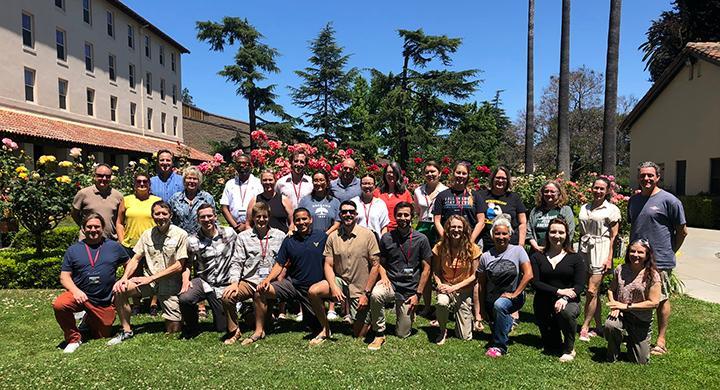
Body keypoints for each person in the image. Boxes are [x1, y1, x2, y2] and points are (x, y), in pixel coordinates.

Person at [108, 201, 189, 345]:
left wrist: (151, 278)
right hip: (149, 283)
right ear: (152, 216)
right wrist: (124, 278)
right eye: (157, 213)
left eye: (164, 213)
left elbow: (179, 266)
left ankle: (181, 316)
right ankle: (126, 330)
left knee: (173, 329)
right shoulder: (147, 235)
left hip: (170, 286)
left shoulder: (181, 234)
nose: (161, 217)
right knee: (120, 290)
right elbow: (135, 259)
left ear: (170, 215)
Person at [628, 161, 687, 356]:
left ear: (658, 177)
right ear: (638, 178)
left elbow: (682, 231)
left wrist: (669, 251)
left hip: (660, 260)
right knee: (636, 295)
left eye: (650, 175)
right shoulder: (634, 201)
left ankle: (661, 340)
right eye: (643, 175)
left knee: (661, 299)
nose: (646, 179)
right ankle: (636, 334)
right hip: (637, 258)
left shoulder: (670, 201)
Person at [246, 208, 328, 344]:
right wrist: (267, 280)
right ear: (294, 222)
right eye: (298, 220)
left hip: (312, 289)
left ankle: (320, 325)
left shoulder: (322, 237)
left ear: (311, 220)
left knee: (314, 325)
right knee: (260, 292)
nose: (301, 222)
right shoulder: (289, 240)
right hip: (292, 285)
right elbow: (279, 264)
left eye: (304, 219)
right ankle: (259, 331)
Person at [52, 213, 129, 353]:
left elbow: (129, 263)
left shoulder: (114, 247)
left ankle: (87, 319)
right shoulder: (73, 250)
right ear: (83, 229)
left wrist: (124, 279)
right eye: (89, 227)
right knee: (60, 304)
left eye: (97, 227)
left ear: (103, 228)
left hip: (103, 301)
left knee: (102, 334)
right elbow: (64, 277)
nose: (93, 230)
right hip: (81, 297)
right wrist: (75, 291)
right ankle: (74, 339)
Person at [308, 201, 381, 344]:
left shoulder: (368, 235)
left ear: (356, 215)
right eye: (344, 212)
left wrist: (366, 294)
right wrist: (333, 287)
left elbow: (375, 265)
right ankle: (325, 328)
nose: (348, 214)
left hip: (361, 288)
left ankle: (370, 315)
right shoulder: (333, 237)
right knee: (313, 291)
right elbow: (328, 265)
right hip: (341, 281)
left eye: (351, 212)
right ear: (340, 215)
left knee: (359, 334)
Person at [368, 202, 432, 350]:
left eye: (406, 215)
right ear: (394, 217)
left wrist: (418, 295)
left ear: (412, 217)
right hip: (391, 283)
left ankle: (409, 313)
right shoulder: (387, 238)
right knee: (376, 294)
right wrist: (383, 276)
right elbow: (380, 263)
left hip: (410, 288)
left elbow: (426, 269)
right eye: (399, 215)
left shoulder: (421, 239)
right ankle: (379, 333)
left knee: (402, 334)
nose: (403, 218)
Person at [223, 202, 286, 345]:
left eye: (264, 217)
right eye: (258, 217)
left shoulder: (279, 236)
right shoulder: (243, 237)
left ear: (269, 217)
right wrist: (234, 282)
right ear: (253, 218)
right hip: (249, 280)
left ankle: (260, 324)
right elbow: (237, 261)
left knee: (266, 321)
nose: (261, 220)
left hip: (270, 283)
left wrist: (279, 278)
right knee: (227, 297)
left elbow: (284, 261)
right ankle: (234, 331)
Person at [475, 166, 527, 331]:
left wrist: (520, 244)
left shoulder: (514, 198)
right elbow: (479, 219)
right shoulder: (483, 195)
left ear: (508, 180)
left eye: (504, 178)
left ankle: (513, 312)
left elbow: (522, 221)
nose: (500, 181)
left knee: (511, 275)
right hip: (487, 243)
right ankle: (483, 312)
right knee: (485, 279)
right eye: (497, 177)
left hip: (509, 243)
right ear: (492, 179)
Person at [477, 216, 533, 357]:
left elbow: (529, 274)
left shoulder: (518, 251)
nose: (501, 237)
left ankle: (499, 347)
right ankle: (507, 321)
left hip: (513, 297)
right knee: (498, 324)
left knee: (500, 306)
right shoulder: (485, 256)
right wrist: (481, 309)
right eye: (497, 233)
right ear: (492, 235)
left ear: (510, 235)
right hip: (491, 299)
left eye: (504, 233)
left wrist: (515, 293)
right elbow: (481, 284)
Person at [178, 204, 236, 338]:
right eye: (202, 217)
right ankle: (192, 326)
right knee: (185, 298)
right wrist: (185, 281)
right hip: (204, 282)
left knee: (222, 328)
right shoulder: (192, 241)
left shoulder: (229, 234)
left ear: (215, 217)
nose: (206, 219)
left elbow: (238, 257)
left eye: (209, 216)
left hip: (224, 283)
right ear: (198, 220)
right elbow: (187, 264)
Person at [530, 218, 585, 362]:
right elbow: (535, 283)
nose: (557, 236)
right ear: (547, 234)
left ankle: (569, 348)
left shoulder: (575, 258)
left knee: (566, 312)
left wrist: (565, 298)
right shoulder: (537, 257)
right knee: (552, 346)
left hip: (568, 302)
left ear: (567, 234)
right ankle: (556, 336)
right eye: (553, 232)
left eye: (561, 232)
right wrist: (559, 291)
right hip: (543, 303)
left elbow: (580, 285)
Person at [604, 239, 661, 364]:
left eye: (640, 252)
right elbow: (611, 290)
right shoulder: (620, 269)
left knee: (640, 361)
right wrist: (615, 306)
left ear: (647, 255)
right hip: (621, 314)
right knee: (610, 326)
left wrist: (626, 306)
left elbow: (654, 302)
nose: (635, 255)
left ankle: (632, 340)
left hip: (640, 319)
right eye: (632, 251)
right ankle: (613, 352)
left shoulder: (653, 275)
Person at [578, 177, 621, 341]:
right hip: (584, 248)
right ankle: (598, 325)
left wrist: (609, 257)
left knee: (591, 290)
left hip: (601, 248)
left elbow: (614, 236)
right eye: (596, 188)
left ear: (608, 191)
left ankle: (585, 325)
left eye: (602, 189)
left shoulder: (611, 209)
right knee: (591, 291)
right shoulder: (585, 207)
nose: (598, 191)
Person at [432, 215, 482, 345]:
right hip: (446, 287)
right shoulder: (440, 246)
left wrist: (454, 288)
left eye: (459, 227)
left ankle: (465, 316)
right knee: (442, 302)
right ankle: (443, 330)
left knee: (465, 337)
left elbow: (474, 276)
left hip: (463, 290)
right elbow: (436, 270)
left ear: (464, 229)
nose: (456, 230)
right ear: (448, 229)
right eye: (453, 227)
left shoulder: (473, 248)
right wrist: (439, 284)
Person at [119, 173, 161, 315]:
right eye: (138, 182)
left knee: (154, 272)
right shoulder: (126, 200)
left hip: (152, 243)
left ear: (149, 185)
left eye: (145, 182)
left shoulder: (156, 200)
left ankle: (153, 303)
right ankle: (136, 304)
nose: (142, 184)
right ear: (134, 184)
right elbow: (119, 222)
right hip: (131, 244)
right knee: (133, 274)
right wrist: (121, 241)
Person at [433, 162, 487, 245]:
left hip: (470, 241)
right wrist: (445, 239)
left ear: (468, 175)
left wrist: (470, 241)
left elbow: (481, 222)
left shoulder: (475, 196)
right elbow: (437, 221)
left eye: (464, 173)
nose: (461, 176)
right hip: (448, 242)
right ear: (453, 174)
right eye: (458, 172)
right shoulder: (442, 195)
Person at [71, 163, 125, 242]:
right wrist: (85, 227)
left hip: (110, 240)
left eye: (107, 176)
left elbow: (121, 220)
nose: (104, 178)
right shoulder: (83, 194)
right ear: (95, 176)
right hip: (87, 239)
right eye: (100, 175)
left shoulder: (118, 196)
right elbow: (74, 214)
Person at [527, 180, 575, 253]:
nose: (549, 194)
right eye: (546, 191)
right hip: (538, 251)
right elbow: (529, 232)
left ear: (559, 193)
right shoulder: (535, 211)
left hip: (560, 252)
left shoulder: (565, 210)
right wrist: (536, 247)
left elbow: (569, 232)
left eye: (552, 191)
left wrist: (556, 250)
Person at [220, 153, 263, 234]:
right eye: (239, 163)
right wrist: (235, 226)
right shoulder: (230, 184)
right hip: (234, 228)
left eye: (245, 164)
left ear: (250, 165)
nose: (242, 166)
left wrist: (248, 224)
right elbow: (224, 207)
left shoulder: (258, 183)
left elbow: (262, 207)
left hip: (254, 227)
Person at [169, 166, 215, 236]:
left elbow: (214, 220)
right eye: (189, 178)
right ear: (184, 180)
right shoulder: (175, 198)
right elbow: (169, 219)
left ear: (199, 181)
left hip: (201, 238)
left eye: (195, 179)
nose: (192, 181)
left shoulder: (207, 198)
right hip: (179, 238)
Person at [414, 161, 448, 247]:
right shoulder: (418, 191)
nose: (430, 174)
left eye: (433, 171)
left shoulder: (446, 191)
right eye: (427, 172)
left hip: (439, 227)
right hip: (423, 227)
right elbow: (418, 211)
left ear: (439, 173)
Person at [374, 162, 413, 231]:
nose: (391, 175)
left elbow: (409, 214)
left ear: (398, 174)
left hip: (399, 231)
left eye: (394, 172)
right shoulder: (377, 192)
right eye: (389, 172)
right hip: (380, 230)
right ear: (385, 174)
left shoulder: (405, 193)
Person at [298, 171, 341, 235]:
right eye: (315, 180)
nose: (318, 183)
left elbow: (337, 223)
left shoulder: (335, 202)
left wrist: (325, 235)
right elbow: (299, 219)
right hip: (309, 238)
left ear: (327, 182)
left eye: (321, 180)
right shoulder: (305, 201)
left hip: (329, 238)